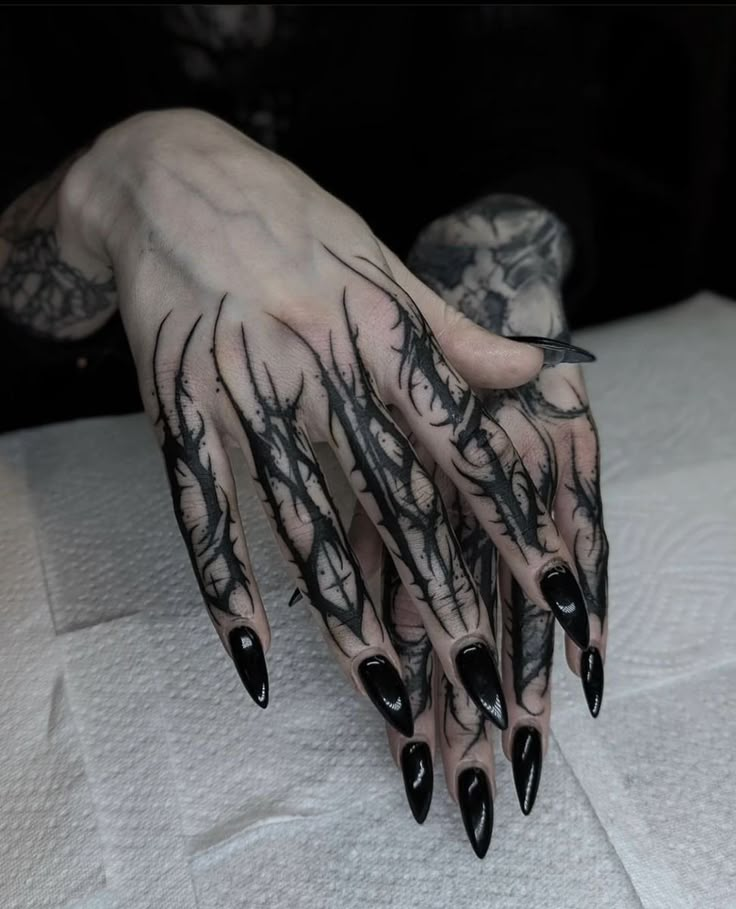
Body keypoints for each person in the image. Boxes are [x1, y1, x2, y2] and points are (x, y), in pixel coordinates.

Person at [0, 9, 608, 859]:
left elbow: (521, 120)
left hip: (385, 390)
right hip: (74, 481)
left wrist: (480, 314)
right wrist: (110, 183)